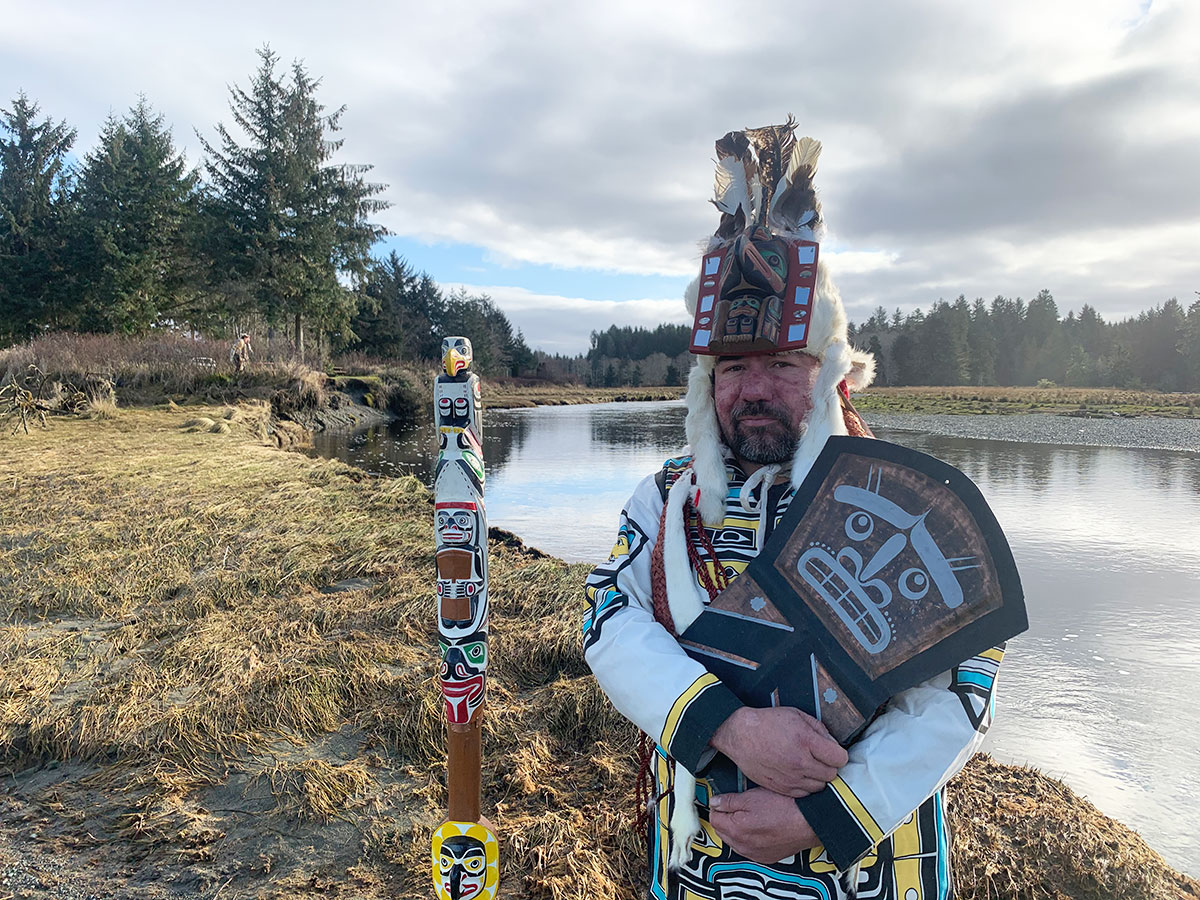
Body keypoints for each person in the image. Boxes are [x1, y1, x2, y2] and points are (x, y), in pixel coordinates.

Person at [583, 120, 1005, 900]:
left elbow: (960, 692)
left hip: (864, 865)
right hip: (700, 853)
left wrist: (827, 814)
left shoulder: (908, 503)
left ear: (831, 373)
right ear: (706, 384)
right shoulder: (667, 501)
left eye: (782, 362)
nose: (754, 387)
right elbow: (608, 620)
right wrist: (727, 726)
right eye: (733, 365)